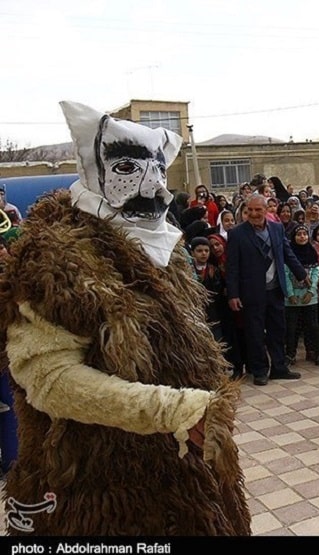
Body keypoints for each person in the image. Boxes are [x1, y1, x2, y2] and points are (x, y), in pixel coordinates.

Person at [0, 101, 249, 535]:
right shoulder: (55, 259)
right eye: (130, 167)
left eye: (158, 169)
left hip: (182, 474)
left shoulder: (163, 247)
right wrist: (172, 410)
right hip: (93, 484)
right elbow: (49, 381)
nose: (152, 186)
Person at [226, 193, 308, 386]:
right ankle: (259, 370)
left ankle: (279, 368)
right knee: (254, 333)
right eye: (250, 210)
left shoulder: (277, 229)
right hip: (251, 292)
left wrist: (301, 274)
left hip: (275, 289)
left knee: (278, 330)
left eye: (258, 210)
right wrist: (233, 294)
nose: (254, 214)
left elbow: (287, 253)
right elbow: (232, 267)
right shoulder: (237, 234)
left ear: (266, 210)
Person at [284, 224, 319, 368]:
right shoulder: (289, 254)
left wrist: (311, 292)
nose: (302, 237)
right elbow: (285, 275)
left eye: (304, 234)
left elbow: (316, 272)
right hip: (292, 299)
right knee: (291, 328)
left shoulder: (312, 252)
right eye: (299, 234)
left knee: (313, 326)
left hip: (310, 298)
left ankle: (316, 353)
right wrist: (290, 294)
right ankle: (290, 355)